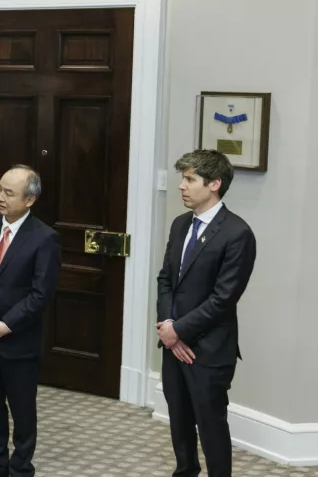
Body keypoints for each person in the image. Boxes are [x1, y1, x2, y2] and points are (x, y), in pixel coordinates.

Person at [157, 149, 256, 477]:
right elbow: (166, 279)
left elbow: (223, 298)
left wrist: (178, 331)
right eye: (182, 178)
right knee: (179, 420)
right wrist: (169, 329)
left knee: (211, 426)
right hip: (174, 345)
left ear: (214, 183)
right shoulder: (180, 224)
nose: (182, 186)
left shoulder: (237, 233)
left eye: (189, 179)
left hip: (210, 350)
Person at [0, 166, 60, 477]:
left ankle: (20, 468)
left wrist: (8, 324)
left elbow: (41, 294)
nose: (0, 197)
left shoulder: (45, 238)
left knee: (22, 410)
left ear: (29, 200)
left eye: (9, 193)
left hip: (19, 340)